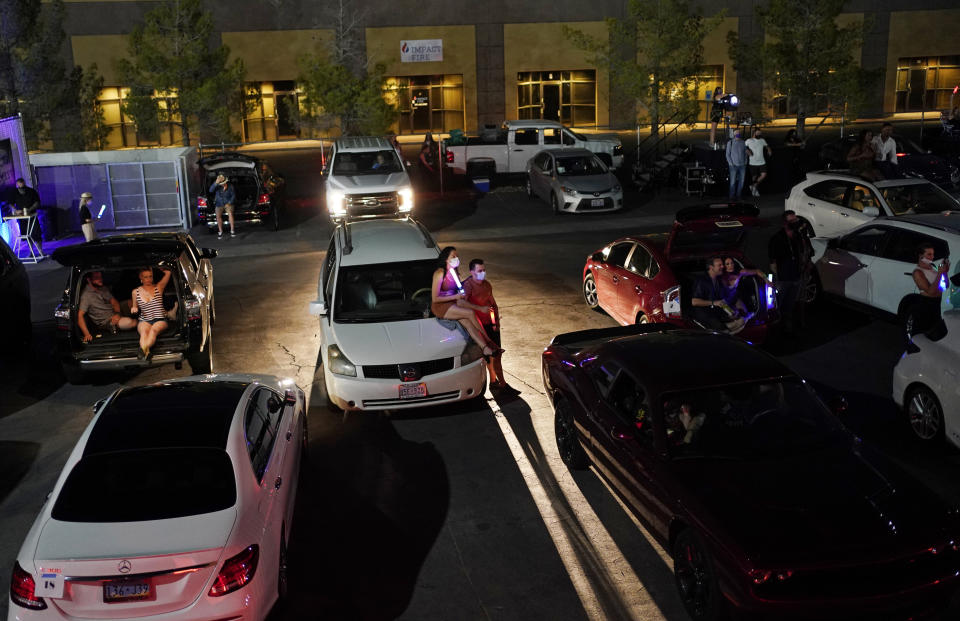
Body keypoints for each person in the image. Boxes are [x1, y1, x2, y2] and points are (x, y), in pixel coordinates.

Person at [431, 246, 502, 359]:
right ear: (446, 258)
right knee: (470, 313)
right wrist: (455, 296)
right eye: (453, 256)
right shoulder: (440, 273)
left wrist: (458, 294)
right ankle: (488, 340)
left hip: (451, 303)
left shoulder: (454, 272)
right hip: (440, 306)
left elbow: (456, 291)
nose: (456, 258)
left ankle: (485, 348)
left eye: (457, 256)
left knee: (468, 324)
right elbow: (435, 298)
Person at [463, 258, 519, 394]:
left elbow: (493, 303)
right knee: (489, 356)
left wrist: (496, 324)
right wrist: (479, 308)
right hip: (478, 327)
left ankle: (496, 382)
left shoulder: (487, 285)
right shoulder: (467, 286)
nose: (482, 273)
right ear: (471, 272)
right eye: (479, 271)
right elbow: (461, 304)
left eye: (484, 270)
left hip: (490, 325)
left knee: (496, 354)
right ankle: (500, 384)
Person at [768, 211, 808, 334]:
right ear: (785, 223)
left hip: (796, 276)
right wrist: (778, 279)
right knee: (778, 303)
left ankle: (787, 326)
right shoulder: (776, 239)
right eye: (792, 221)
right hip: (783, 278)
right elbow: (772, 262)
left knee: (790, 303)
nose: (795, 222)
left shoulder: (797, 236)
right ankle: (776, 328)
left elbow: (802, 253)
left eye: (795, 220)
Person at [690, 256, 746, 334]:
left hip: (715, 312)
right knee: (724, 331)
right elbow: (694, 301)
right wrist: (713, 302)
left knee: (741, 320)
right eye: (719, 265)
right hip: (703, 314)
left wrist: (730, 311)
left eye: (722, 264)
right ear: (711, 267)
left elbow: (721, 301)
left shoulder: (719, 280)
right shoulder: (701, 280)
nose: (723, 266)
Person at [77, 271, 137, 343]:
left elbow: (114, 302)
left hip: (115, 311)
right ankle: (142, 323)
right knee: (130, 322)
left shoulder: (102, 288)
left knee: (135, 301)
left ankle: (150, 317)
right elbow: (80, 315)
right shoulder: (86, 295)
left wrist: (117, 313)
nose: (100, 279)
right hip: (107, 321)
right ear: (89, 280)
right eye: (97, 278)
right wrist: (87, 334)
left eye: (100, 277)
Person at [130, 266, 172, 360]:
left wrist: (159, 267)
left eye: (150, 276)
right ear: (140, 277)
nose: (149, 279)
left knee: (153, 330)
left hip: (160, 319)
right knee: (144, 332)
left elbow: (168, 273)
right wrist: (134, 308)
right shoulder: (135, 292)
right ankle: (146, 352)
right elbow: (134, 306)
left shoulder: (159, 287)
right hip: (144, 320)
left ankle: (142, 350)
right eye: (145, 277)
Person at [910, 243, 950, 337]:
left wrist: (945, 273)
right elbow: (930, 291)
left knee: (936, 333)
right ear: (921, 255)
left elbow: (945, 286)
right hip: (926, 305)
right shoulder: (918, 272)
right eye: (929, 254)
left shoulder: (933, 268)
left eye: (933, 254)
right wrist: (940, 273)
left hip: (937, 304)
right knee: (926, 333)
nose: (932, 257)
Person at [9, 178, 42, 250]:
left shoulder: (31, 191)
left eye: (23, 186)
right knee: (26, 234)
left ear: (24, 183)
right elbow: (11, 203)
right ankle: (31, 252)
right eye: (19, 186)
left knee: (36, 233)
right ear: (17, 185)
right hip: (22, 217)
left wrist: (29, 209)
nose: (21, 189)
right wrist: (16, 210)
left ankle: (40, 251)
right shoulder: (15, 192)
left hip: (32, 215)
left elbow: (37, 202)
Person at [744, 128, 771, 197]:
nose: (759, 134)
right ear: (754, 133)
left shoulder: (762, 140)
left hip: (762, 161)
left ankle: (753, 186)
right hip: (753, 162)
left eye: (760, 133)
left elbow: (767, 146)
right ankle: (754, 190)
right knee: (754, 177)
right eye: (758, 133)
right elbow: (744, 148)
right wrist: (747, 151)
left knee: (763, 175)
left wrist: (769, 150)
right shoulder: (749, 140)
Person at [725, 130, 750, 200]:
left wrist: (745, 162)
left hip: (742, 165)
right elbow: (727, 155)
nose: (738, 134)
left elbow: (745, 153)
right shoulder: (730, 143)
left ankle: (738, 195)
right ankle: (732, 196)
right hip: (733, 166)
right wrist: (731, 164)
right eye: (736, 133)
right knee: (732, 182)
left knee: (741, 182)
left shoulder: (743, 142)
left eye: (739, 133)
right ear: (734, 135)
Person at [210, 174, 236, 239]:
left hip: (228, 203)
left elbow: (233, 196)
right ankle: (220, 231)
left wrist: (229, 203)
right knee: (218, 216)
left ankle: (232, 230)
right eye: (221, 183)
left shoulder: (231, 186)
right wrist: (216, 183)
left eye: (223, 183)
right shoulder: (217, 186)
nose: (222, 184)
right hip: (219, 204)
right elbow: (210, 190)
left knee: (230, 213)